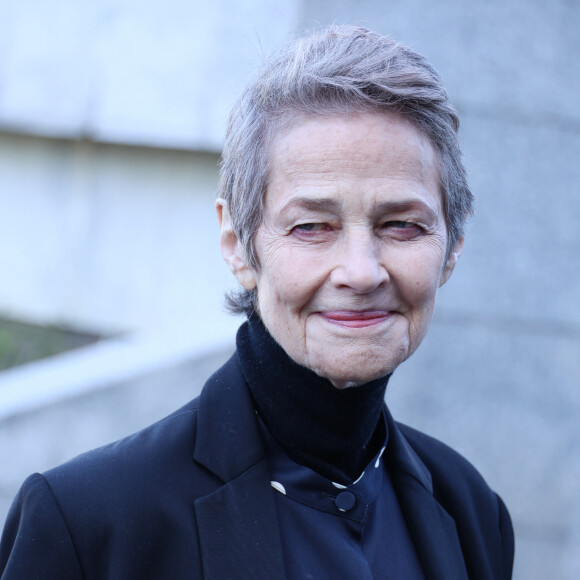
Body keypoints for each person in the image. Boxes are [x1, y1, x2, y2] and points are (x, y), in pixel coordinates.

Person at [0, 25, 514, 579]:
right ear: (237, 245)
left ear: (452, 246)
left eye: (403, 226)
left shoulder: (472, 513)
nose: (362, 271)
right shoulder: (89, 523)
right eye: (313, 226)